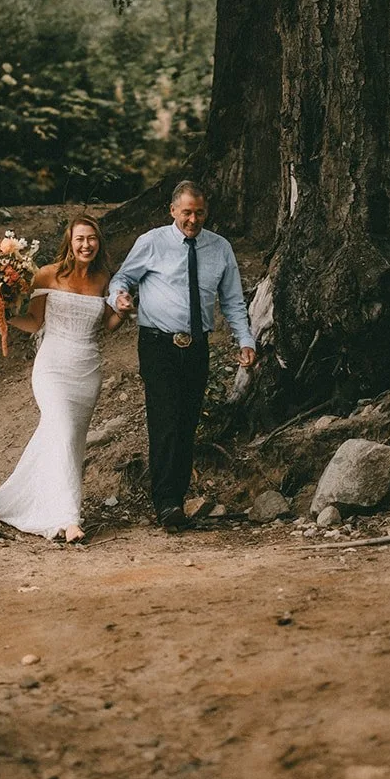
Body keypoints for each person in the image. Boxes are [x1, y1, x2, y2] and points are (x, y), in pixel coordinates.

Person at [109, 181, 255, 531]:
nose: (193, 219)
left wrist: (245, 340)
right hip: (158, 344)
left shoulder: (220, 248)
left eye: (199, 212)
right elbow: (122, 278)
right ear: (173, 210)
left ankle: (176, 496)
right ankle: (166, 503)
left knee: (187, 422)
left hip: (197, 346)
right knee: (165, 421)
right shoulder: (152, 242)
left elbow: (233, 301)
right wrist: (119, 297)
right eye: (186, 212)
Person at [0, 215, 125, 543]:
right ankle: (68, 518)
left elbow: (108, 324)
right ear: (70, 243)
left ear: (98, 242)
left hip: (87, 370)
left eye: (92, 238)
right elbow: (34, 322)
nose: (86, 244)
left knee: (68, 440)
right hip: (52, 367)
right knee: (62, 428)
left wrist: (124, 311)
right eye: (80, 239)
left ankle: (29, 501)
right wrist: (5, 316)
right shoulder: (47, 274)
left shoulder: (104, 279)